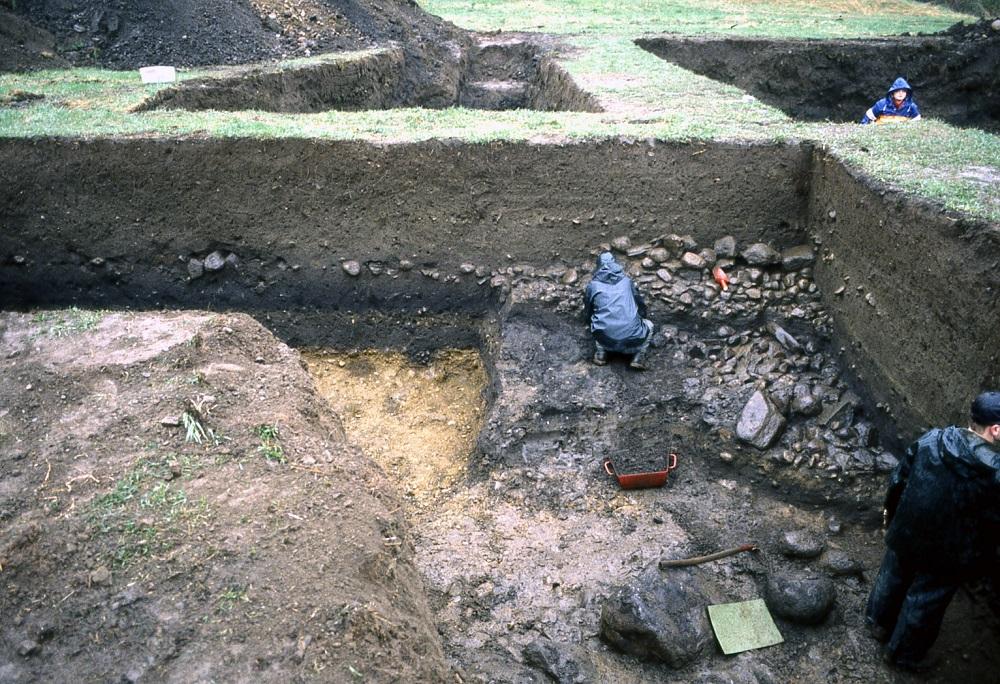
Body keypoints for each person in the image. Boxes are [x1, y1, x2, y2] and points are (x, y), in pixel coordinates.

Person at [866, 391, 1000, 671]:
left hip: (908, 530)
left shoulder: (933, 439)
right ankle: (902, 654)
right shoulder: (994, 473)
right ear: (995, 429)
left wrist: (892, 518)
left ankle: (877, 623)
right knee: (925, 601)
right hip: (949, 552)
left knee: (892, 576)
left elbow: (898, 479)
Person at [583, 252, 654, 370]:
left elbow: (588, 310)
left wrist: (588, 322)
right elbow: (639, 303)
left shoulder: (593, 286)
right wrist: (641, 317)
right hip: (633, 342)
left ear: (598, 266)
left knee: (596, 322)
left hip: (606, 341)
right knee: (650, 326)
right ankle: (638, 357)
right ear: (615, 264)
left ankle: (601, 354)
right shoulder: (626, 282)